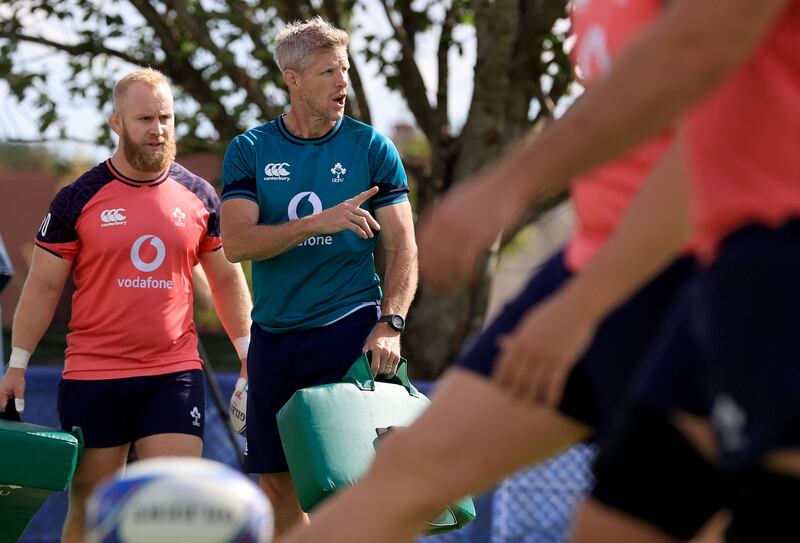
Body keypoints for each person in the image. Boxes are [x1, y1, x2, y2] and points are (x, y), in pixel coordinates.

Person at [281, 1, 799, 542]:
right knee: (416, 470)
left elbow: (697, 86)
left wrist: (512, 194)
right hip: (607, 263)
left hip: (706, 269)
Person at [0, 68, 254, 543]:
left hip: (173, 372)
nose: (158, 130)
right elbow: (41, 288)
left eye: (166, 118)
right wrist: (17, 364)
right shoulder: (77, 198)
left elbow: (225, 277)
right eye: (145, 119)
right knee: (92, 507)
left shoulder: (200, 196)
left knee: (173, 504)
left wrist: (247, 350)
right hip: (93, 375)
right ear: (116, 122)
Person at [218, 17, 418, 538]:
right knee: (280, 491)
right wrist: (319, 221)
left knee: (347, 490)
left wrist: (391, 323)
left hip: (348, 328)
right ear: (292, 79)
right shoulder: (250, 150)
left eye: (345, 70)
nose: (342, 83)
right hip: (275, 338)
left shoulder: (372, 147)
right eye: (328, 71)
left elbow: (403, 248)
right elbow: (236, 242)